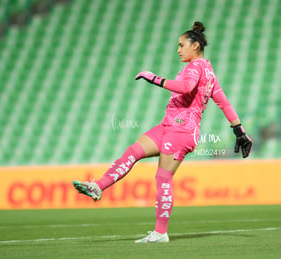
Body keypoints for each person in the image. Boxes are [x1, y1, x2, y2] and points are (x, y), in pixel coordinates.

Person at [73, 22, 253, 243]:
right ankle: (98, 187)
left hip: (182, 130)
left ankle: (160, 233)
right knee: (134, 151)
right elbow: (224, 103)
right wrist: (240, 131)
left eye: (181, 45)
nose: (178, 50)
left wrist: (154, 78)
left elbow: (186, 87)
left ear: (195, 45)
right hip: (168, 125)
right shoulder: (209, 73)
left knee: (163, 178)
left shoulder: (195, 68)